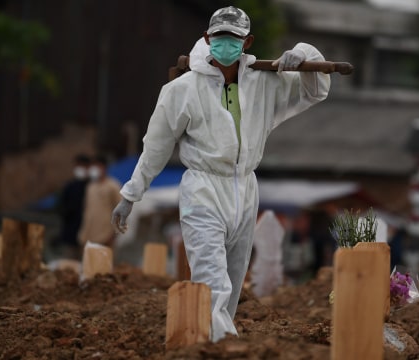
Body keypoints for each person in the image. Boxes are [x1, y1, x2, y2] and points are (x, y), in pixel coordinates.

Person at [111, 6, 330, 341]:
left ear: (247, 41)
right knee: (212, 280)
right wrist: (131, 194)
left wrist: (301, 55)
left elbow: (314, 91)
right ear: (207, 38)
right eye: (220, 37)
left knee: (232, 278)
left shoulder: (263, 82)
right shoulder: (182, 90)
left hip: (245, 187)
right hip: (203, 189)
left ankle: (210, 340)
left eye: (234, 38)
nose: (226, 44)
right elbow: (155, 147)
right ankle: (225, 346)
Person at [78, 155, 122, 249]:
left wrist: (114, 234)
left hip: (105, 235)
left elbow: (120, 211)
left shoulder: (112, 186)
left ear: (104, 168)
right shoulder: (91, 186)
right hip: (89, 234)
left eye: (98, 166)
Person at [55, 154, 90, 259]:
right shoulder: (69, 186)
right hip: (70, 233)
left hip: (88, 235)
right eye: (78, 165)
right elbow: (60, 207)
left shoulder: (92, 187)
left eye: (83, 166)